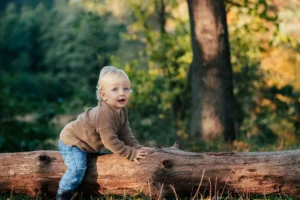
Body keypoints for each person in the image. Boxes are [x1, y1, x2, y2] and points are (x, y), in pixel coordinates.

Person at [56, 66, 148, 200]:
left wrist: (136, 147)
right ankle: (63, 193)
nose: (122, 93)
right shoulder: (104, 114)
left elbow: (125, 132)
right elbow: (109, 141)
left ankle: (80, 193)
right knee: (77, 169)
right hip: (74, 141)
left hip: (88, 144)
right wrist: (130, 153)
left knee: (91, 169)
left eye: (126, 88)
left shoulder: (122, 110)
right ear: (103, 95)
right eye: (115, 89)